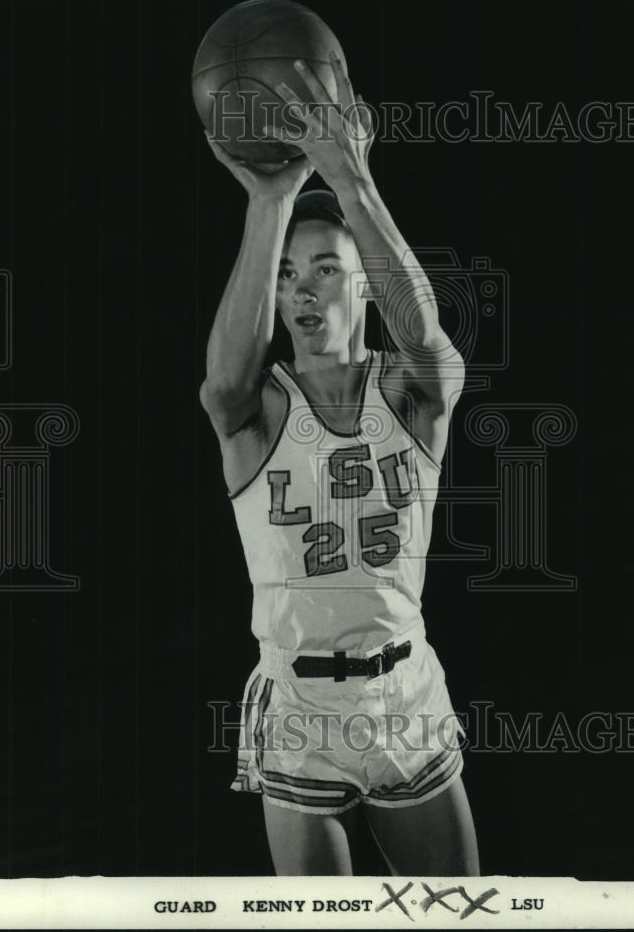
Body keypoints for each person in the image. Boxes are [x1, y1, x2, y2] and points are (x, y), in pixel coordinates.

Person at [199, 52, 479, 876]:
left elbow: (425, 334)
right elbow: (221, 383)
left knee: (455, 916)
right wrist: (270, 200)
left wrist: (350, 180)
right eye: (288, 275)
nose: (302, 290)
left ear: (364, 287)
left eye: (327, 269)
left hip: (408, 696)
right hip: (301, 705)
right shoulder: (256, 406)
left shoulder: (414, 390)